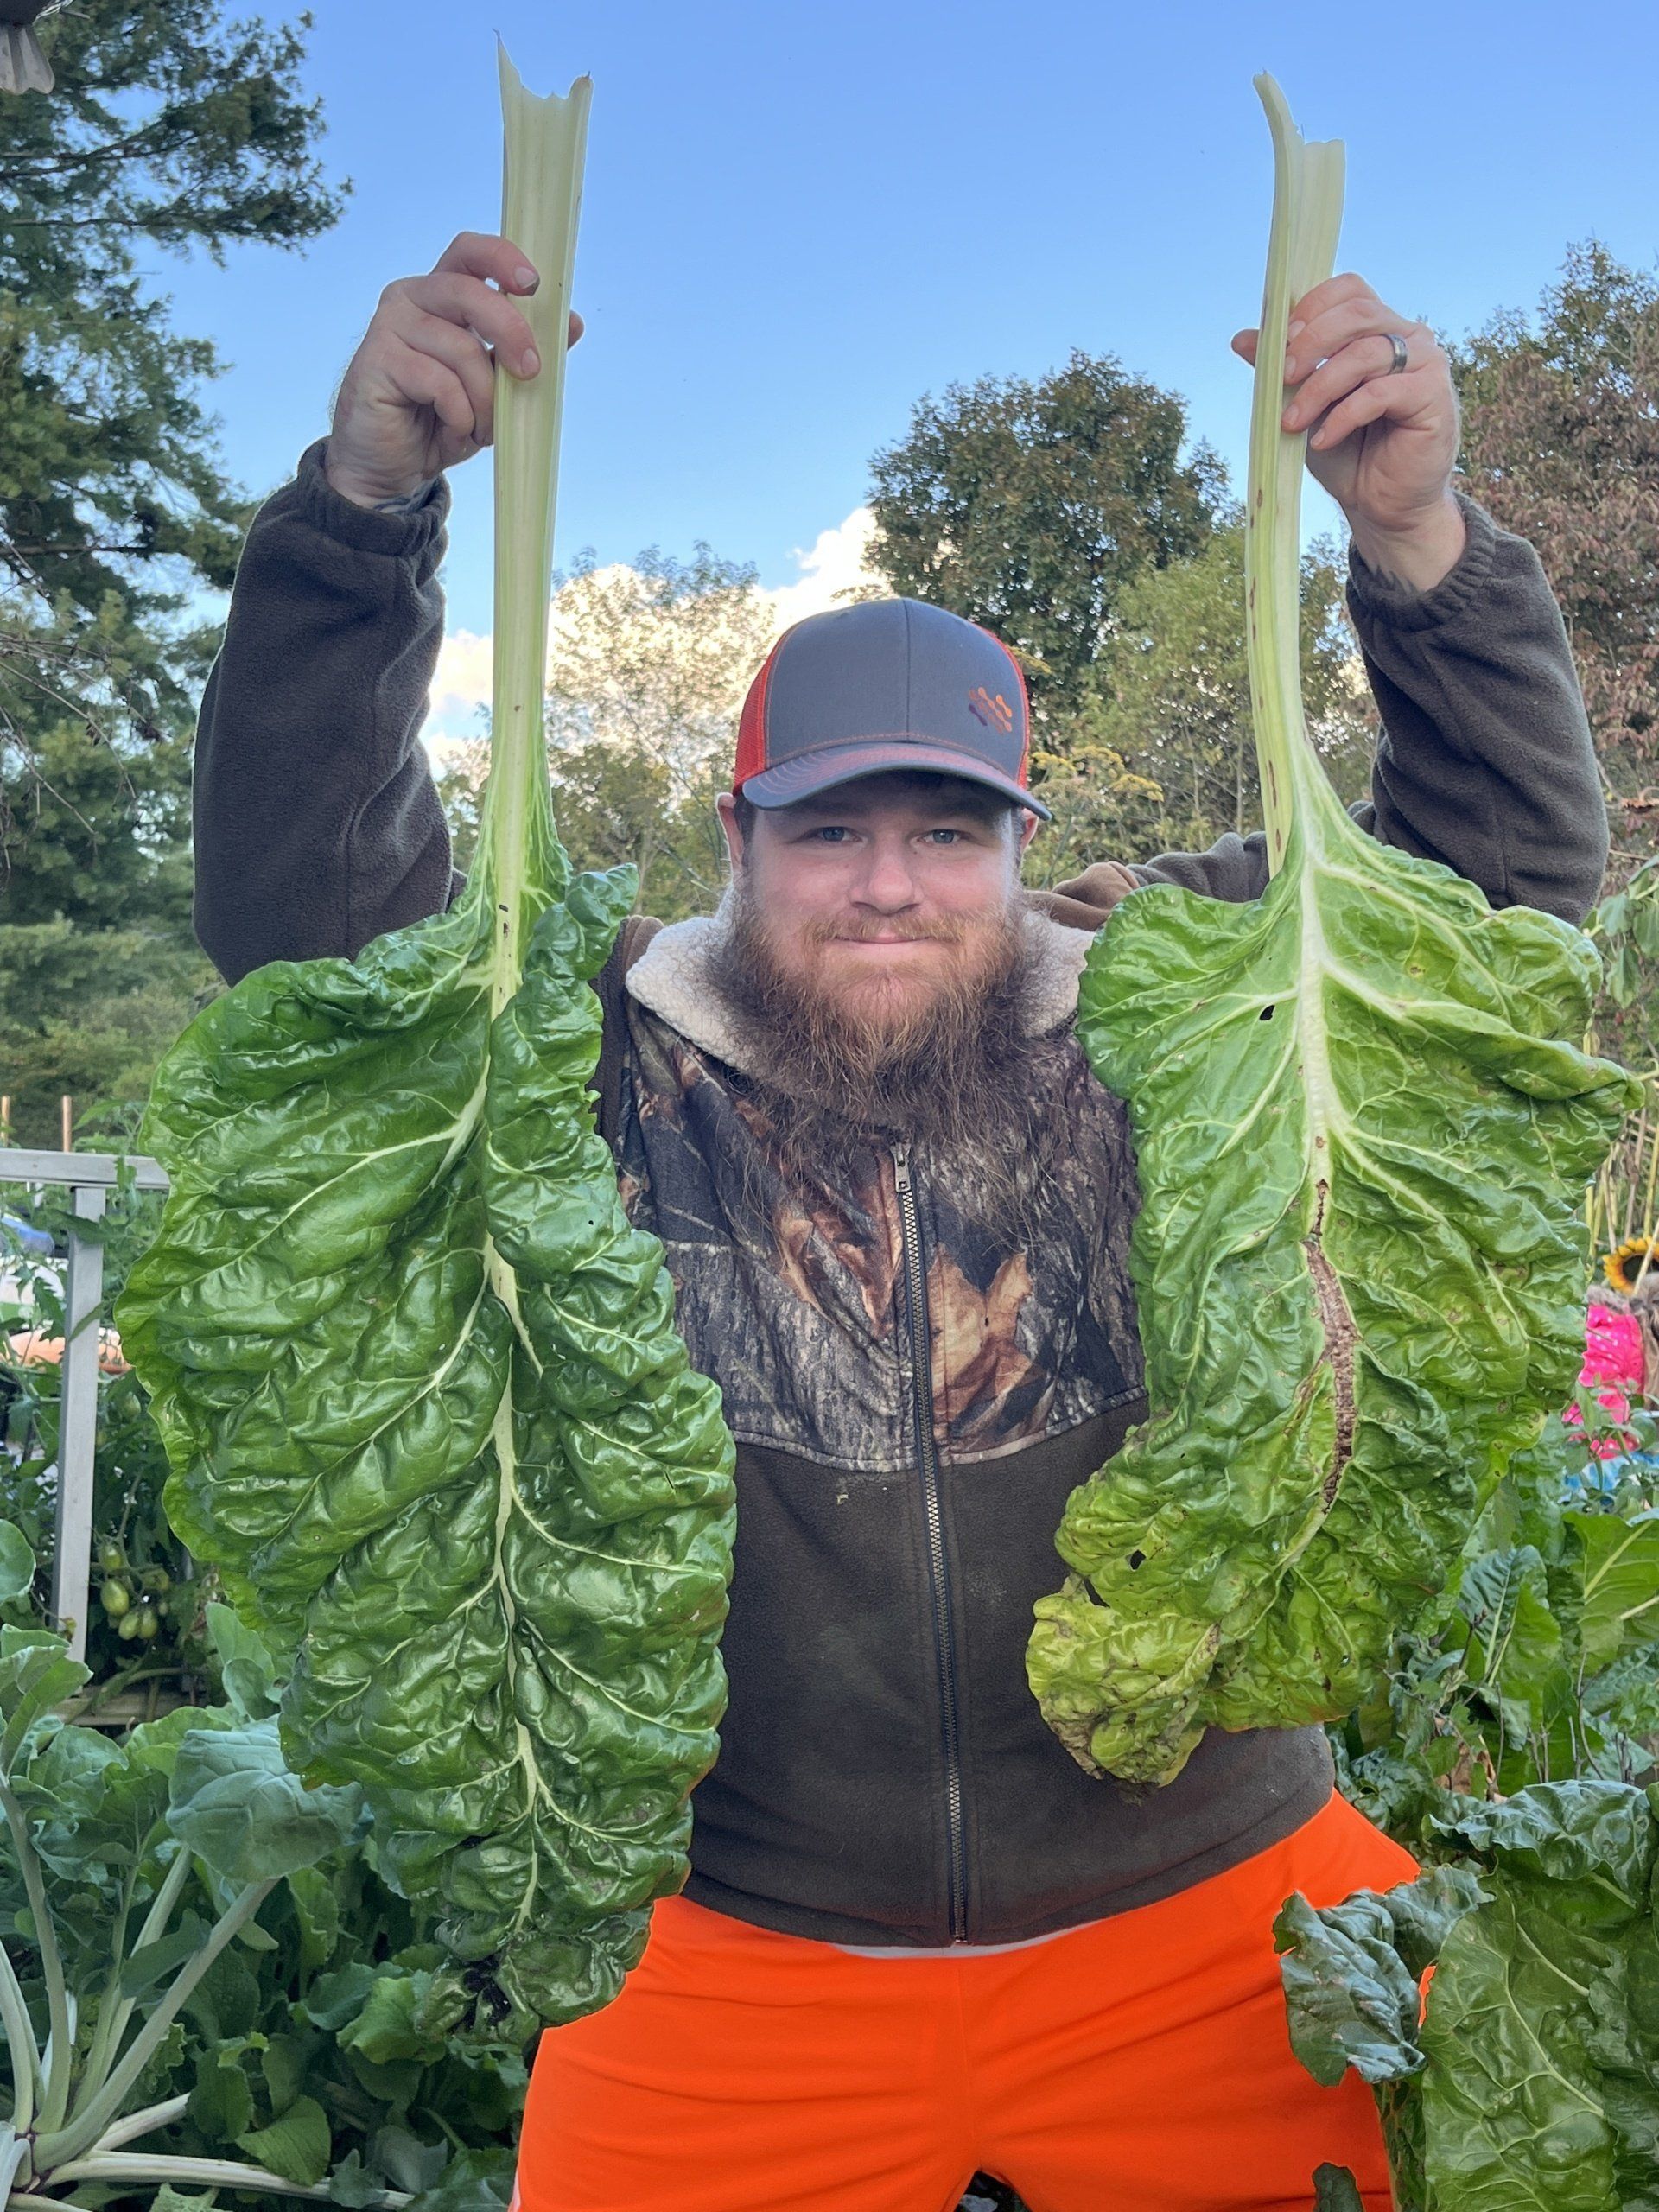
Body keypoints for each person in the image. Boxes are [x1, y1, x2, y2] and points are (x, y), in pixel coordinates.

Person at [193, 232, 1608, 2212]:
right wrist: (364, 509)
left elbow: (1499, 896)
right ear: (737, 841)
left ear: (1020, 844)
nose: (888, 886)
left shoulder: (1174, 989)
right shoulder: (601, 1046)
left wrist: (1417, 537)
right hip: (748, 1949)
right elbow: (311, 932)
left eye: (947, 829)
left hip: (1213, 1900)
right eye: (831, 828)